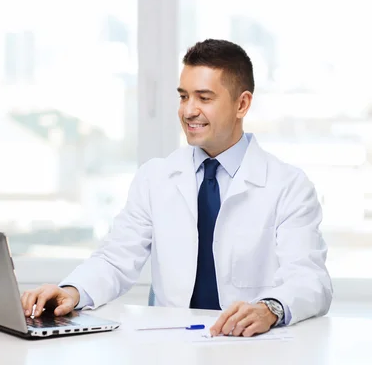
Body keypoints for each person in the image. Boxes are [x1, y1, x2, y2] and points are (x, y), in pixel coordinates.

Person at [21, 39, 332, 337]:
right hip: (172, 346)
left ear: (242, 104)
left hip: (250, 348)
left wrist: (270, 309)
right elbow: (115, 259)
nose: (188, 111)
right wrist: (71, 292)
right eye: (184, 96)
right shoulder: (155, 177)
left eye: (204, 98)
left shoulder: (288, 186)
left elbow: (308, 278)